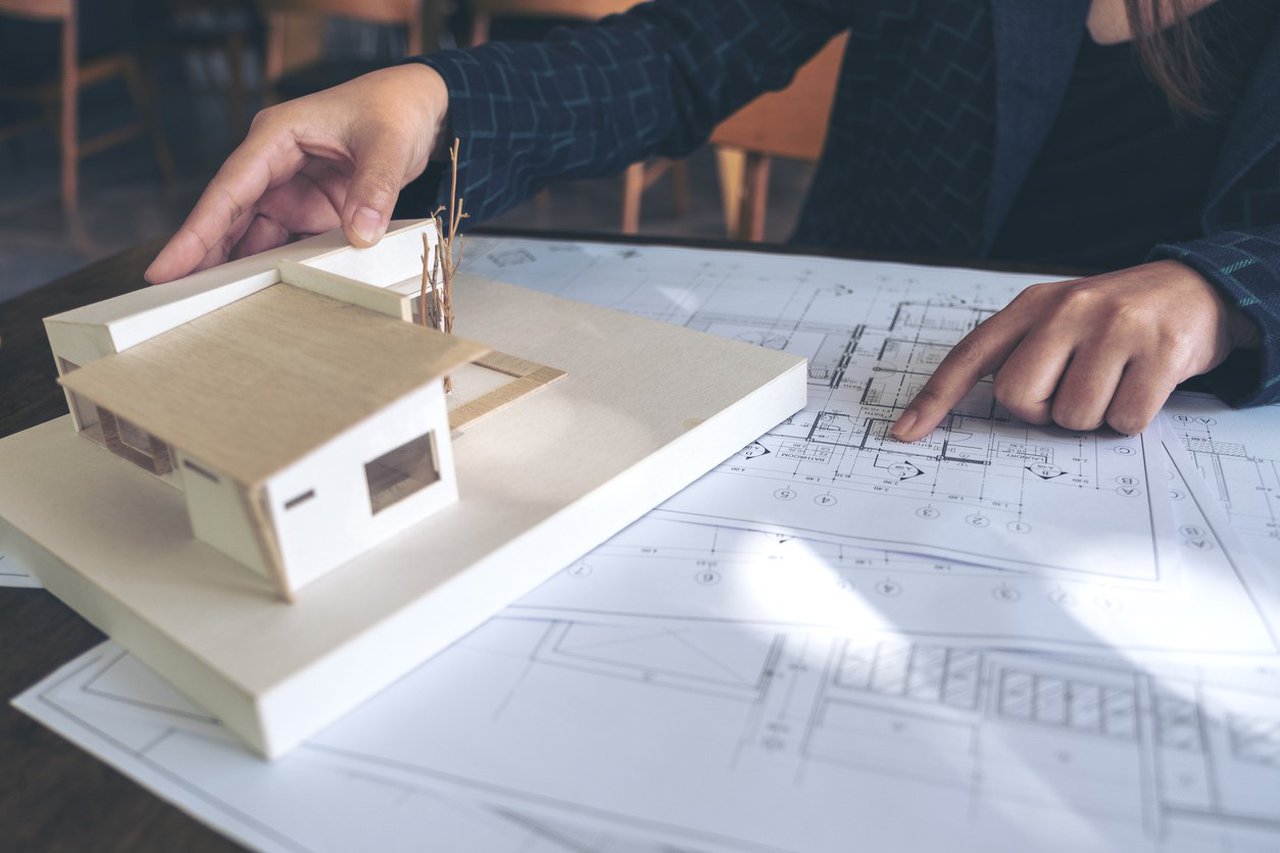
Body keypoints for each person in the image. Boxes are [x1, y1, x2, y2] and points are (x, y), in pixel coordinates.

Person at [144, 0, 1280, 443]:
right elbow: (683, 55)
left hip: (1163, 438)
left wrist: (1218, 292)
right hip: (838, 393)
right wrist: (434, 101)